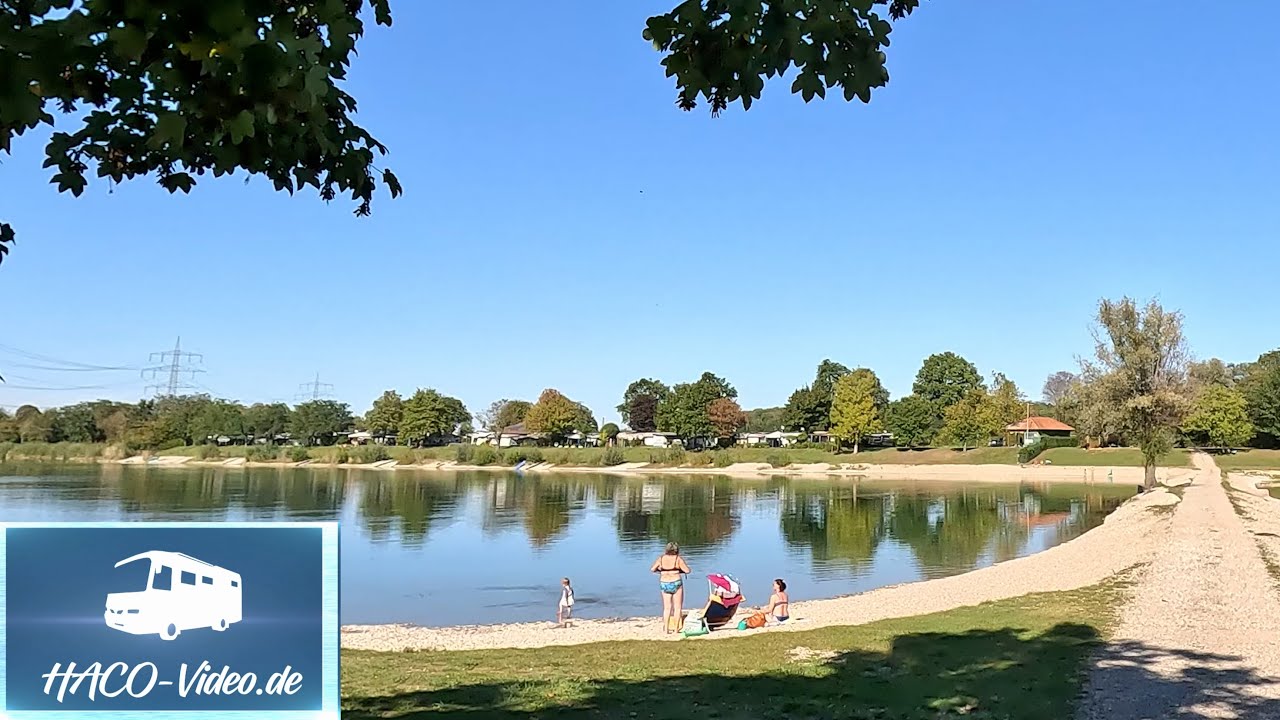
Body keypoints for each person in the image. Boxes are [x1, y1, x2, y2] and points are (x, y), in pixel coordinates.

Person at [650, 542, 690, 634]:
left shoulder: (661, 558)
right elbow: (687, 570)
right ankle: (676, 629)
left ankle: (666, 629)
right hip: (676, 582)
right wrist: (679, 570)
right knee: (677, 607)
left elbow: (652, 569)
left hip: (664, 583)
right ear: (676, 550)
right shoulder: (678, 559)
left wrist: (660, 570)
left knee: (667, 608)